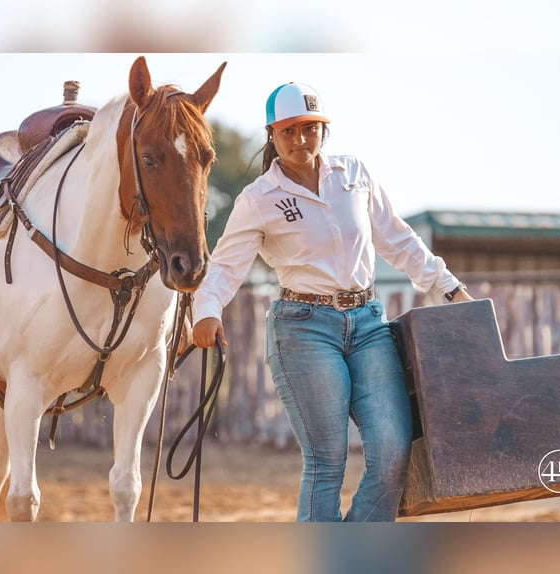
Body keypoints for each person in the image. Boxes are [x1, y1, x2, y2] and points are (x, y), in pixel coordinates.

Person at [192, 82, 474, 522]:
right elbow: (226, 267)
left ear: (324, 129)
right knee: (327, 463)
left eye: (310, 128)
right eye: (289, 131)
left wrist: (450, 287)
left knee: (393, 452)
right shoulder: (259, 200)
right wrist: (206, 312)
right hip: (303, 328)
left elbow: (398, 240)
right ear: (272, 135)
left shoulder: (354, 175)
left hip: (368, 325)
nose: (300, 139)